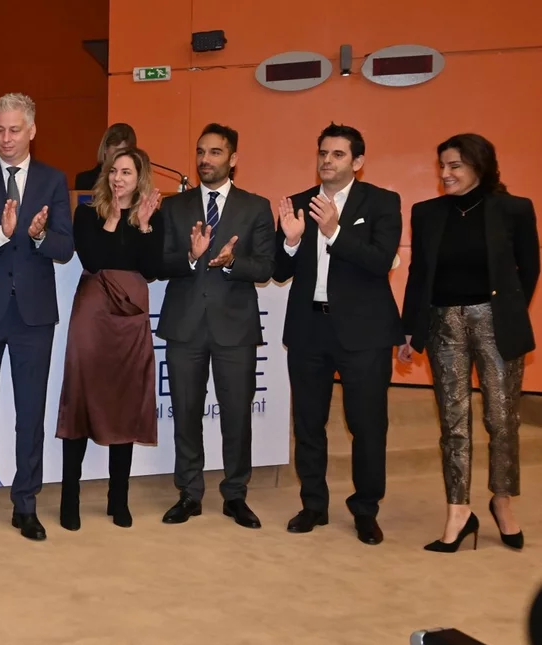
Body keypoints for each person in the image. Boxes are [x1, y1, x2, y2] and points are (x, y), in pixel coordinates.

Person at [399, 133, 536, 553]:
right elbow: (419, 275)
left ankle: (501, 501)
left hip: (495, 323)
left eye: (455, 165)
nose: (445, 173)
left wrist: (508, 313)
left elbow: (529, 268)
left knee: (502, 419)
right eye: (441, 165)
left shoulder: (513, 209)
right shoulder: (426, 213)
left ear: (480, 165)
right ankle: (458, 511)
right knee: (453, 423)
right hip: (444, 325)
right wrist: (410, 329)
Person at [273, 124, 402, 545]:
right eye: (323, 153)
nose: (327, 161)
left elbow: (380, 260)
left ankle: (365, 509)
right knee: (308, 424)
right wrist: (291, 243)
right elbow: (278, 270)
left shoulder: (381, 202)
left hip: (364, 332)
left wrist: (335, 232)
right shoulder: (298, 203)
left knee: (367, 425)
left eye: (338, 154)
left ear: (358, 162)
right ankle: (313, 504)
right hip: (309, 328)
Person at [0, 92, 74, 541]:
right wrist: (0, 235)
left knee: (31, 414)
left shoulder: (53, 180)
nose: (6, 138)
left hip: (33, 315)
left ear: (32, 131)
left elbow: (65, 247)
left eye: (14, 130)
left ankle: (26, 505)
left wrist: (39, 236)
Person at [155, 123, 274, 529]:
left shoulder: (256, 207)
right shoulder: (174, 207)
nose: (205, 160)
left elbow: (266, 267)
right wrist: (191, 257)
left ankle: (235, 494)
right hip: (184, 326)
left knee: (237, 416)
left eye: (215, 152)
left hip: (235, 328)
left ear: (233, 158)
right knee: (186, 413)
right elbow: (160, 263)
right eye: (200, 152)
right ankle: (189, 493)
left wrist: (232, 263)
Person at [56, 147, 161, 531]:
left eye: (127, 173)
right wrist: (114, 219)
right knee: (81, 399)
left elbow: (150, 269)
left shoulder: (152, 215)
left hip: (130, 317)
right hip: (93, 314)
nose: (118, 178)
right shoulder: (87, 212)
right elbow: (93, 259)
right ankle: (70, 498)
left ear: (139, 178)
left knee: (124, 401)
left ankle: (119, 499)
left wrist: (144, 226)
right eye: (114, 171)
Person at [74, 123, 137, 191]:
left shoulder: (138, 180)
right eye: (117, 151)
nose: (120, 157)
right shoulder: (85, 180)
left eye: (124, 153)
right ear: (105, 149)